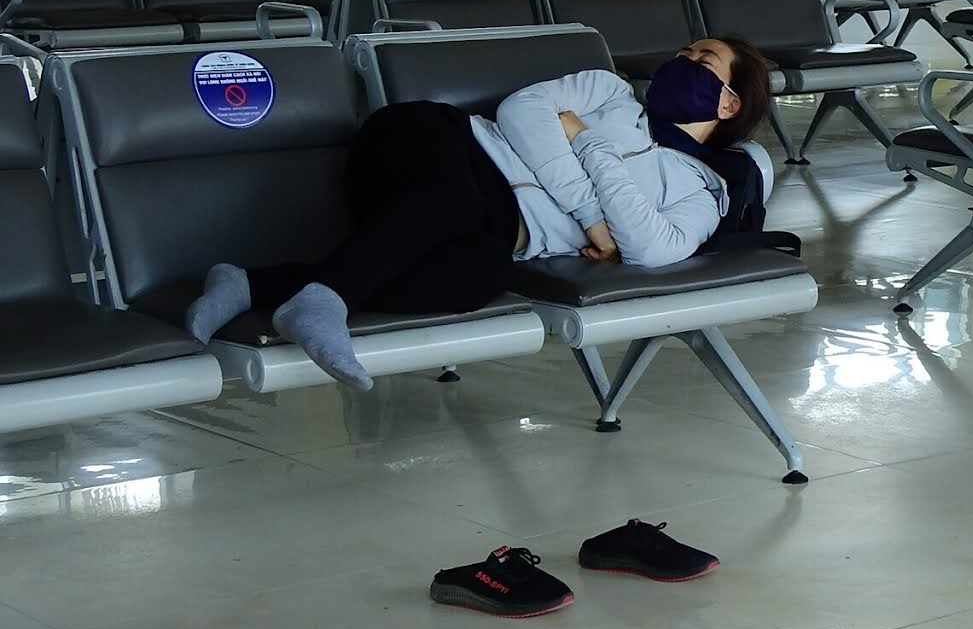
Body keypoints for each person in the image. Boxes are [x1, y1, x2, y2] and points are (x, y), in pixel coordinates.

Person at [182, 38, 773, 391]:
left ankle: (258, 284)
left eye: (702, 58)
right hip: (429, 142)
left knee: (476, 278)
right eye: (684, 50)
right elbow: (521, 111)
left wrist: (587, 142)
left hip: (483, 226)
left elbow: (651, 247)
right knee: (459, 198)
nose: (681, 58)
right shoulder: (609, 92)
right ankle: (322, 302)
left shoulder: (704, 190)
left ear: (728, 103)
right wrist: (593, 217)